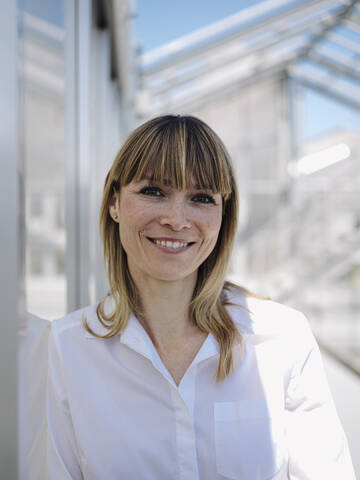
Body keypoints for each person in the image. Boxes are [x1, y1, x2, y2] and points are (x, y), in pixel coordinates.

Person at [46, 114, 356, 479]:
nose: (177, 220)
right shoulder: (64, 351)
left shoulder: (282, 338)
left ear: (223, 215)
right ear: (114, 203)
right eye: (154, 191)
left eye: (201, 198)